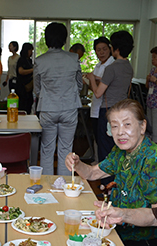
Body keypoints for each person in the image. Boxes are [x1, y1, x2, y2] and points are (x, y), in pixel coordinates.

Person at [65, 99, 157, 246]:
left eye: (127, 124)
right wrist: (77, 164)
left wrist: (121, 214)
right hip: (121, 229)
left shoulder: (155, 160)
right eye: (114, 126)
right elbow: (92, 173)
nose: (120, 132)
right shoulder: (121, 152)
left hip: (147, 243)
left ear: (142, 126)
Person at [35, 22, 83, 176]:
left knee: (47, 149)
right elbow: (80, 84)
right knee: (66, 149)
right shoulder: (74, 58)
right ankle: (64, 187)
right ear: (64, 39)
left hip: (48, 108)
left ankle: (48, 185)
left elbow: (37, 89)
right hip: (69, 108)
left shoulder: (39, 60)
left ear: (46, 39)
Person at [92, 30, 134, 164]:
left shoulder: (111, 68)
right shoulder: (129, 67)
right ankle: (118, 180)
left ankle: (105, 182)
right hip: (124, 110)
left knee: (105, 148)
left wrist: (91, 78)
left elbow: (98, 93)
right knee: (119, 145)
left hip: (108, 111)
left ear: (115, 49)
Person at [85, 37, 114, 152]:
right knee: (97, 138)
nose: (101, 52)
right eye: (98, 50)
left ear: (110, 49)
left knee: (105, 140)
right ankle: (98, 163)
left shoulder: (111, 65)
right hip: (96, 107)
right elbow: (95, 87)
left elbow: (104, 86)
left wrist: (93, 79)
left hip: (105, 107)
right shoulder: (98, 65)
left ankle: (105, 166)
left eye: (104, 49)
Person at [16, 43, 34, 114]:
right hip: (22, 86)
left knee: (29, 104)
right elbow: (21, 71)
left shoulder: (29, 60)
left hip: (29, 87)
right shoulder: (21, 59)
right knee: (22, 105)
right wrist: (32, 70)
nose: (31, 53)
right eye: (30, 50)